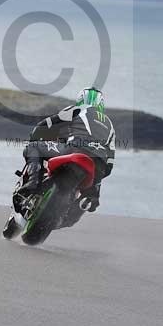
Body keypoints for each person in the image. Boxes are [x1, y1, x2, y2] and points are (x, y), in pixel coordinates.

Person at [18, 86, 115, 223]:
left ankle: (33, 182)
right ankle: (67, 217)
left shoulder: (78, 109)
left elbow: (46, 124)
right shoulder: (110, 126)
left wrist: (35, 136)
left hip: (75, 150)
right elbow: (110, 164)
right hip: (98, 167)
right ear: (101, 104)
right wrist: (98, 180)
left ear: (81, 99)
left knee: (33, 147)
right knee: (90, 200)